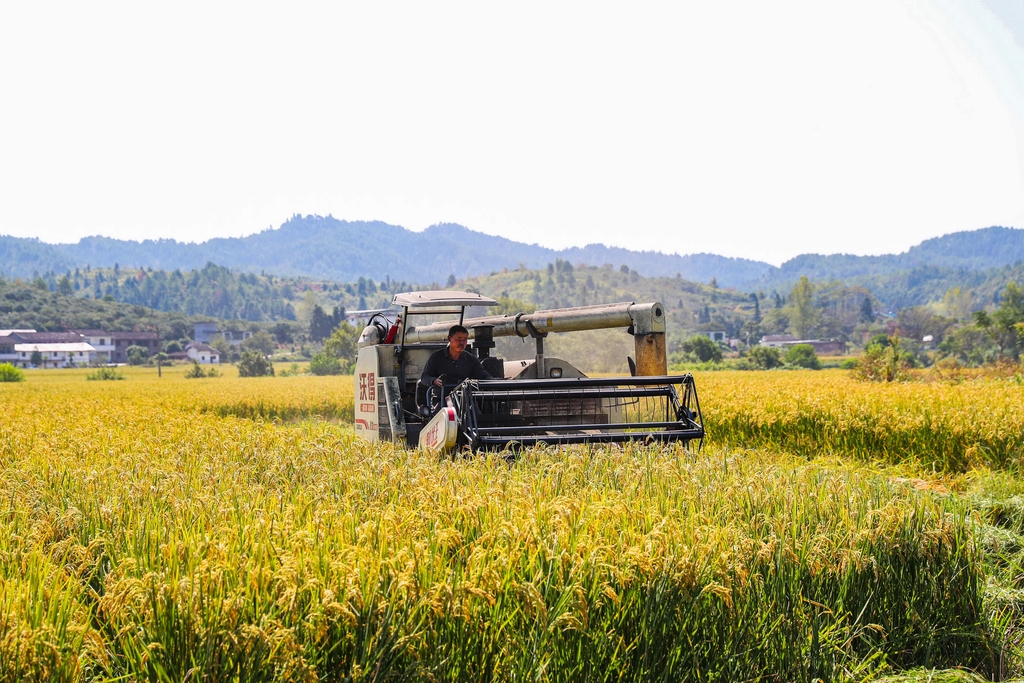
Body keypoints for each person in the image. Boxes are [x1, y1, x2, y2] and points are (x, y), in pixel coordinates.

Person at [421, 324, 493, 390]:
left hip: (465, 398)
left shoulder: (471, 359)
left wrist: (493, 381)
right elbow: (425, 377)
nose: (462, 343)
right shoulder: (436, 357)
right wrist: (434, 380)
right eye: (458, 339)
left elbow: (483, 375)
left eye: (464, 340)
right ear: (449, 339)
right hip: (441, 397)